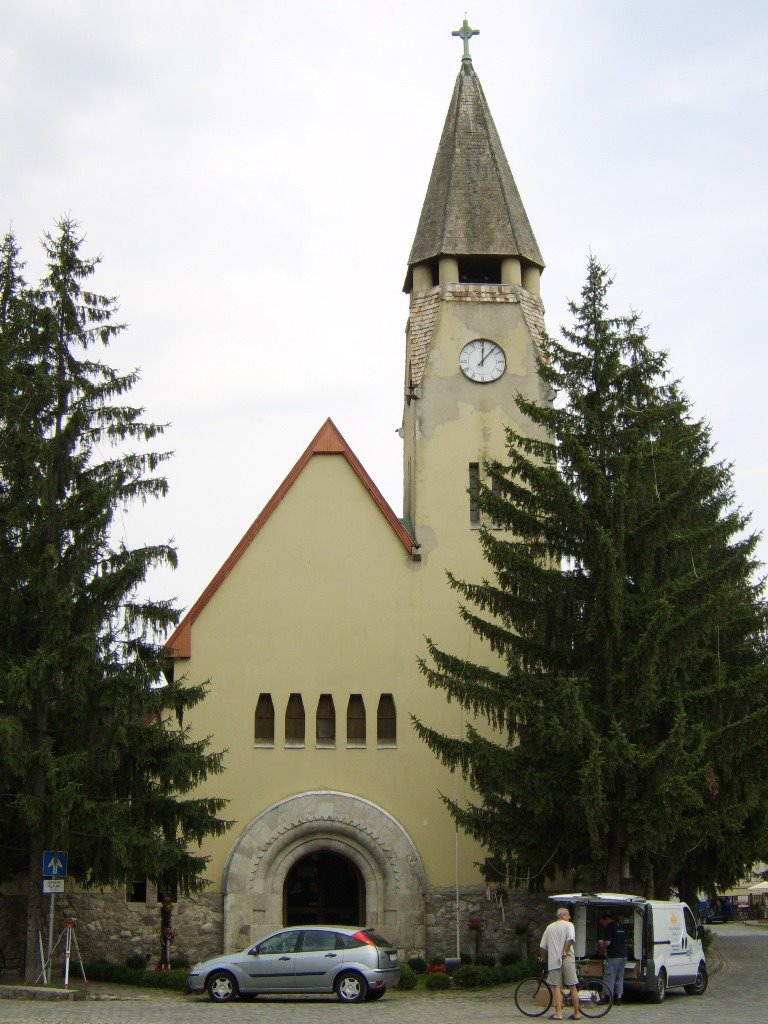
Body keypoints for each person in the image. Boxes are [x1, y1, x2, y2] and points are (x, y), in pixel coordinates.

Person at [539, 906, 581, 1021]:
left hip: (554, 960)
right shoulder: (569, 925)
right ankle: (576, 1013)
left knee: (557, 987)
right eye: (568, 914)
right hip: (567, 958)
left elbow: (542, 947)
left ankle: (558, 1013)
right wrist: (565, 951)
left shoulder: (549, 927)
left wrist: (542, 958)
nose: (570, 917)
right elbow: (571, 939)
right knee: (572, 986)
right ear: (562, 915)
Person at [598, 910, 627, 1004]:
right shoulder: (620, 926)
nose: (602, 924)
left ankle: (607, 996)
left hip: (613, 956)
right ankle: (619, 997)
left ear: (606, 919)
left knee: (609, 976)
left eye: (602, 921)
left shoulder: (609, 927)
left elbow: (608, 942)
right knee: (620, 976)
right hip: (623, 956)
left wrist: (601, 944)